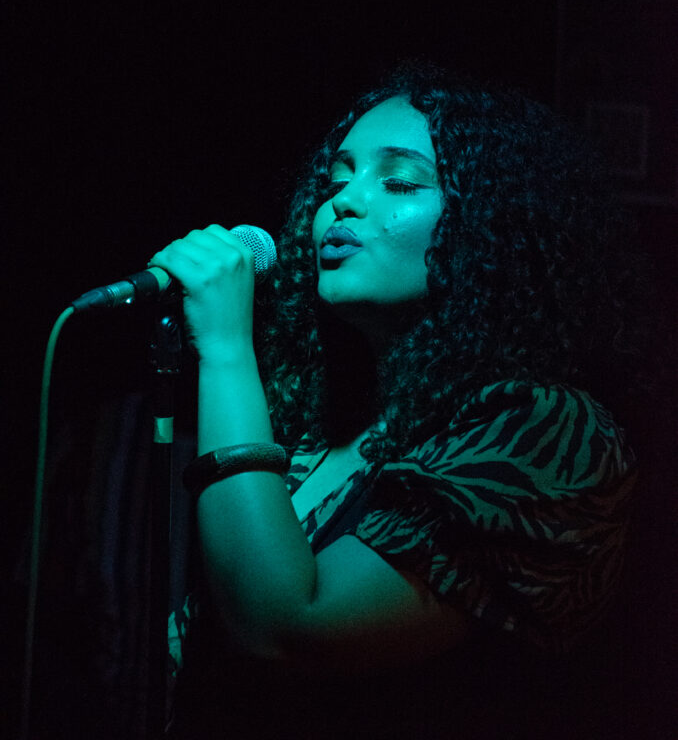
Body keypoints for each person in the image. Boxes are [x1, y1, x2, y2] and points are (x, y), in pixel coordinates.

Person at [157, 63, 647, 739]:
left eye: (399, 181)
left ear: (490, 226)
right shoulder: (316, 430)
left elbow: (289, 630)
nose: (344, 202)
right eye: (335, 181)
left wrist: (224, 347)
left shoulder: (549, 434)